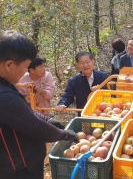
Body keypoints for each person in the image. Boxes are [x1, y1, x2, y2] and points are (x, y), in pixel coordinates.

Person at [0, 30, 78, 178]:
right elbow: (34, 126)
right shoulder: (4, 97)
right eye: (25, 67)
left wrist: (48, 120)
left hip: (24, 163)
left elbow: (24, 113)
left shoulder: (6, 84)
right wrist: (65, 134)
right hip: (17, 169)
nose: (25, 73)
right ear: (9, 64)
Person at [56, 51, 108, 116]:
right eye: (82, 63)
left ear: (92, 62)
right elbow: (67, 96)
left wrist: (99, 90)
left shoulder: (102, 76)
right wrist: (62, 104)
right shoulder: (74, 80)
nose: (85, 65)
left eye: (87, 62)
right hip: (83, 114)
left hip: (102, 114)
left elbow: (111, 93)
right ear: (77, 65)